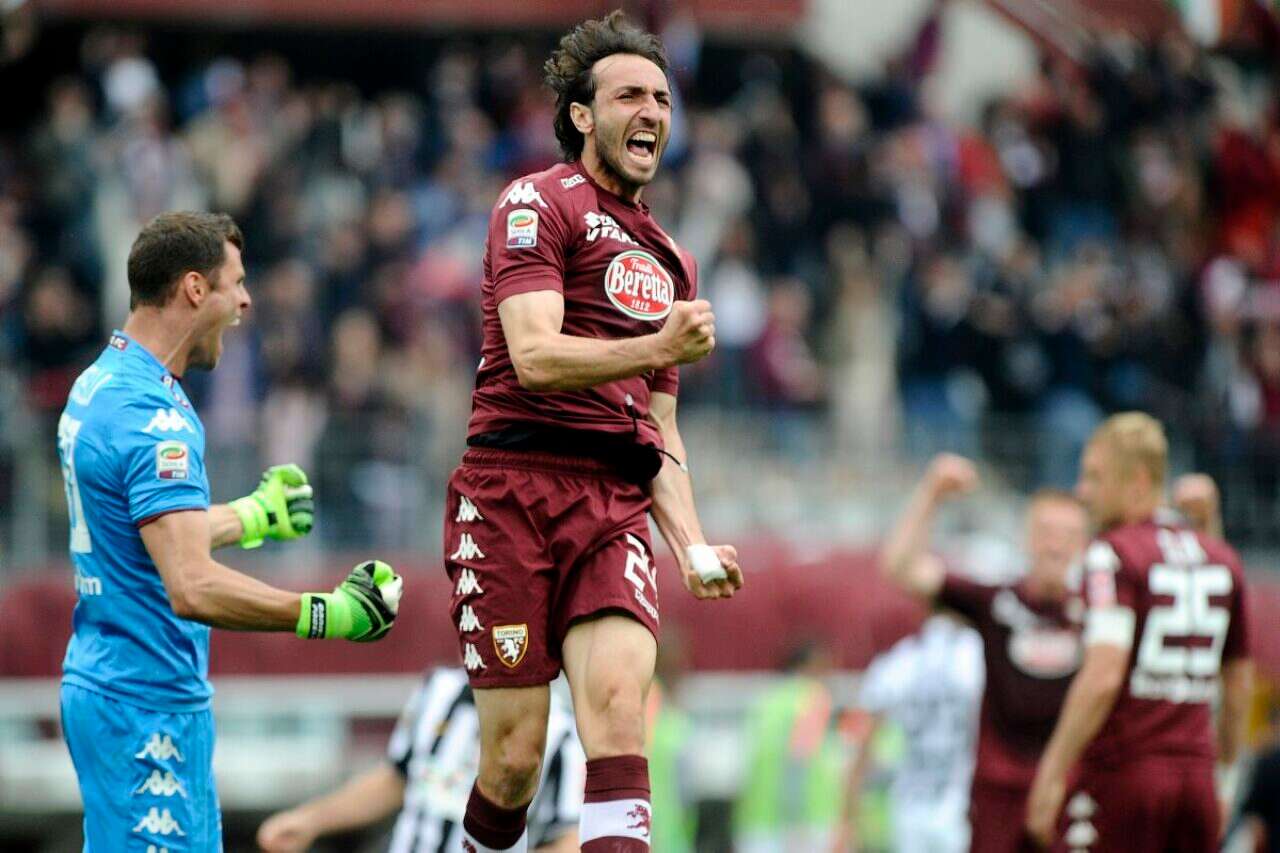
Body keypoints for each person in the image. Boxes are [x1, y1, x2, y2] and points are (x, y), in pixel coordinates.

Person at [440, 12, 743, 853]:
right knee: (513, 761)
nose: (652, 112)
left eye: (662, 99)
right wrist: (656, 346)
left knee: (617, 712)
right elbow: (534, 356)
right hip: (510, 491)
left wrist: (691, 543)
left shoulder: (672, 257)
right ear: (582, 115)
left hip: (611, 503)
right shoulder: (535, 202)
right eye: (630, 96)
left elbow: (660, 425)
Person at [56, 211, 404, 851]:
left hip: (115, 686)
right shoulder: (152, 417)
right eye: (236, 282)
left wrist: (252, 516)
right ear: (195, 288)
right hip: (145, 703)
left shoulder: (103, 382)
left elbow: (149, 538)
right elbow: (191, 585)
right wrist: (327, 613)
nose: (246, 301)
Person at [1025, 412, 1254, 851]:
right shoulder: (1221, 556)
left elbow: (1104, 674)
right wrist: (1224, 775)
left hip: (1125, 777)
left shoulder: (1112, 554)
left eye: (1095, 477)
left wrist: (1052, 771)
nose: (1083, 491)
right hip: (1196, 784)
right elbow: (1238, 682)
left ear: (1138, 482)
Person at [880, 453, 1090, 853]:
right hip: (999, 792)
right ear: (1027, 537)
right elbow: (901, 567)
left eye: (1068, 534)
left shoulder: (1100, 612)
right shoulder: (997, 602)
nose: (1056, 544)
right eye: (1046, 531)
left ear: (1085, 543)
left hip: (1067, 789)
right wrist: (932, 493)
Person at [257, 667, 585, 852]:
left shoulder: (562, 733)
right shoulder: (438, 691)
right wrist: (309, 820)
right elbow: (396, 779)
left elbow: (567, 838)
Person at [847, 613, 984, 853]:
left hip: (909, 803)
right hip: (960, 801)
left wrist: (849, 806)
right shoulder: (975, 655)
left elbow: (867, 731)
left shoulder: (903, 658)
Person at [732, 641, 849, 853]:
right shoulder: (813, 698)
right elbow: (798, 760)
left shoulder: (767, 700)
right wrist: (796, 822)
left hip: (757, 819)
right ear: (809, 665)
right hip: (804, 822)